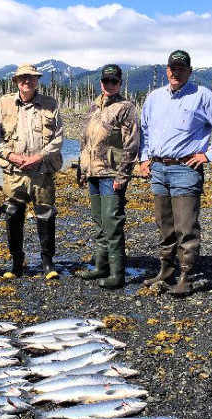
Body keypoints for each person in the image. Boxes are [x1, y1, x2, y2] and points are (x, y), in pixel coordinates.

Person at [138, 50, 212, 297]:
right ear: (166, 70)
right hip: (158, 168)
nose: (176, 73)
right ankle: (166, 271)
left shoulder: (202, 96)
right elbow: (145, 132)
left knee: (186, 226)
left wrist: (210, 154)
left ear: (189, 71)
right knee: (164, 225)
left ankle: (187, 276)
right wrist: (144, 158)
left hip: (186, 168)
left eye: (182, 68)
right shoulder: (154, 98)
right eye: (172, 68)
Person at [0, 63, 63, 279]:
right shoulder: (3, 104)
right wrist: (11, 156)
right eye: (23, 78)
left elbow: (58, 138)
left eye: (31, 77)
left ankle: (47, 263)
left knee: (46, 215)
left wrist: (37, 157)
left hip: (42, 170)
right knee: (13, 214)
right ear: (16, 81)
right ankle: (16, 263)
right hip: (14, 172)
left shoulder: (50, 104)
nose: (27, 81)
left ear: (37, 80)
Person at [76, 64, 139, 289]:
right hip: (93, 174)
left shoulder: (126, 107)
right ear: (100, 82)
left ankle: (117, 274)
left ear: (120, 83)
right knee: (99, 223)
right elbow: (86, 142)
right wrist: (82, 170)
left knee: (112, 223)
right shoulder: (94, 106)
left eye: (114, 81)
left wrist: (123, 176)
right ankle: (101, 267)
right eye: (106, 81)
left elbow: (131, 145)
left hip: (112, 174)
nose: (109, 85)